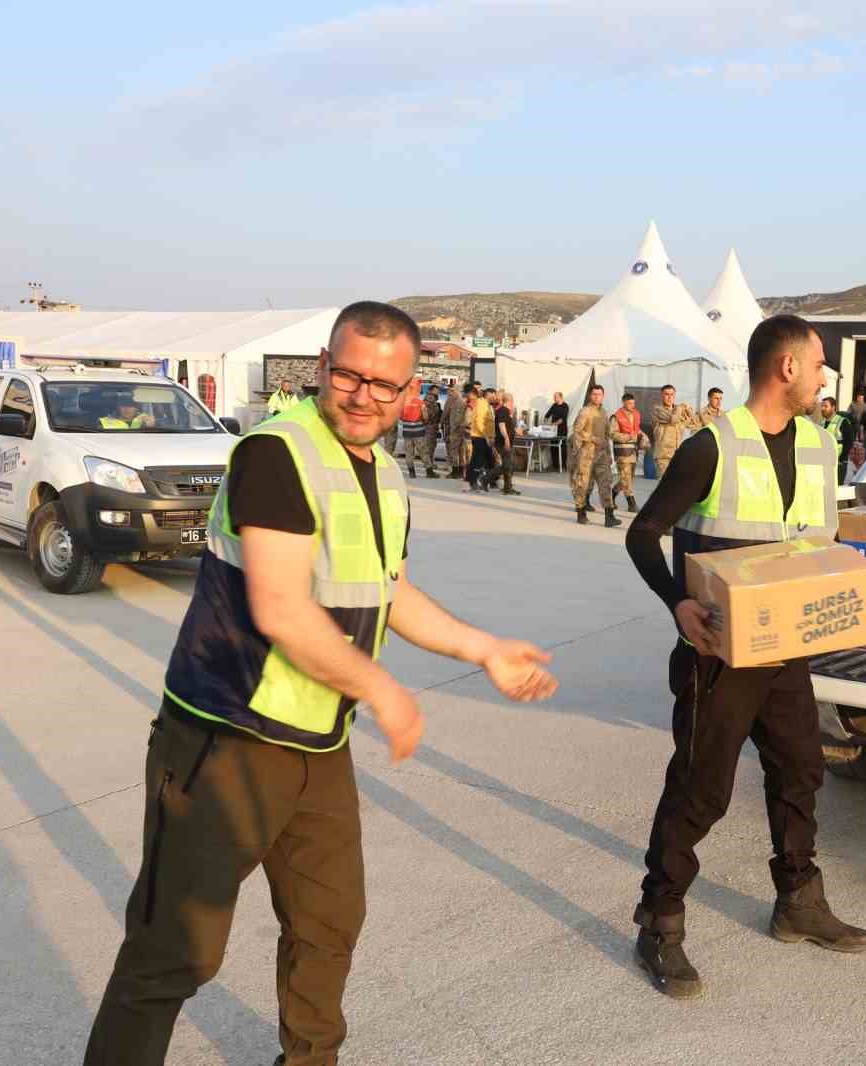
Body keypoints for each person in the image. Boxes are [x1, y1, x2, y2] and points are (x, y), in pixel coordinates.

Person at [83, 301, 558, 1066]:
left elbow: (389, 588)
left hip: (317, 743)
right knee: (176, 952)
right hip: (225, 742)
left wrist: (484, 648)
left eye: (385, 384)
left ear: (412, 388)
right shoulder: (277, 453)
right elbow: (279, 606)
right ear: (321, 366)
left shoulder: (387, 472)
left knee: (330, 927)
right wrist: (383, 689)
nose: (364, 395)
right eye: (349, 375)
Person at [623, 314, 866, 999]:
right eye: (819, 364)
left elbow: (819, 540)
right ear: (786, 368)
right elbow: (645, 535)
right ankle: (660, 919)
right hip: (717, 655)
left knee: (801, 768)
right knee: (702, 789)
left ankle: (798, 899)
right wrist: (678, 601)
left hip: (786, 648)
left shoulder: (821, 445)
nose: (825, 378)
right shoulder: (713, 446)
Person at [570, 383, 618, 526]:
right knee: (582, 484)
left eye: (599, 394)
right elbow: (577, 431)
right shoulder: (585, 411)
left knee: (606, 483)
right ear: (590, 396)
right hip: (586, 454)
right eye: (594, 394)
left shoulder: (603, 412)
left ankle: (609, 516)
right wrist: (593, 438)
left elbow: (607, 435)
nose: (597, 397)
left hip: (602, 454)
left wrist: (609, 454)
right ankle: (581, 512)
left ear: (603, 396)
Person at [610, 392, 651, 513]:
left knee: (628, 478)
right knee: (626, 478)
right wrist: (628, 437)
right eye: (629, 403)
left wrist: (644, 436)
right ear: (624, 402)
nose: (632, 405)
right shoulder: (616, 416)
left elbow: (637, 429)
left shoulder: (636, 414)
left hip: (633, 451)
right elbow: (612, 434)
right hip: (622, 451)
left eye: (633, 403)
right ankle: (631, 503)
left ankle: (612, 495)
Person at [648, 384, 698, 479]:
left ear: (675, 396)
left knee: (675, 486)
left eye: (671, 394)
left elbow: (693, 422)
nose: (669, 397)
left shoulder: (678, 410)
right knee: (663, 485)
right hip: (663, 455)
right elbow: (673, 419)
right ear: (661, 395)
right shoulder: (658, 410)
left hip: (677, 454)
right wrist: (680, 408)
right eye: (666, 394)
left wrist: (688, 409)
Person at [464, 384, 495, 493]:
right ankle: (474, 483)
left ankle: (489, 482)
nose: (494, 397)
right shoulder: (482, 404)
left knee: (489, 461)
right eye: (493, 394)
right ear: (488, 395)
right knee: (477, 462)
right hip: (480, 437)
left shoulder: (485, 404)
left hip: (483, 437)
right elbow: (479, 423)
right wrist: (487, 437)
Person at [819, 396, 853, 483]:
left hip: (838, 464)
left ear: (833, 407)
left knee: (836, 490)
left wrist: (841, 459)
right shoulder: (821, 423)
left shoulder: (843, 422)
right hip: (824, 462)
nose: (822, 408)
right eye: (822, 406)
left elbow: (849, 442)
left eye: (825, 406)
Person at [492, 390, 520, 496]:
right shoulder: (503, 410)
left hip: (505, 441)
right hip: (503, 442)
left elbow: (508, 426)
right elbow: (502, 425)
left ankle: (507, 487)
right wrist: (507, 439)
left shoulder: (506, 411)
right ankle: (486, 479)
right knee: (507, 466)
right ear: (510, 401)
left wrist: (516, 431)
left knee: (508, 465)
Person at [398, 387, 427, 478]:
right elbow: (425, 416)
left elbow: (400, 416)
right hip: (418, 431)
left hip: (407, 431)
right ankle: (429, 471)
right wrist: (423, 421)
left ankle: (412, 472)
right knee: (423, 451)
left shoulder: (403, 403)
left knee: (409, 452)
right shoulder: (420, 403)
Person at [442, 383, 466, 479]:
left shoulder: (458, 402)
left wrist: (454, 430)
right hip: (456, 429)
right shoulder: (456, 400)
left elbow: (457, 418)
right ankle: (458, 471)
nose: (450, 392)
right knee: (458, 451)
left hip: (456, 430)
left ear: (457, 391)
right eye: (449, 390)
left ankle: (456, 471)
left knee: (454, 451)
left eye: (452, 391)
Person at [545, 390, 571, 472]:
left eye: (556, 397)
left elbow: (562, 419)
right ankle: (555, 465)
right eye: (554, 397)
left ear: (561, 397)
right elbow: (547, 415)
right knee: (553, 447)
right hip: (553, 431)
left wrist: (553, 424)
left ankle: (563, 465)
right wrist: (546, 422)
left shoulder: (565, 406)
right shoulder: (554, 405)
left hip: (562, 430)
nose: (554, 399)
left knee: (562, 447)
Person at [420, 386, 443, 477]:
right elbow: (426, 412)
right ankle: (428, 466)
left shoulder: (433, 399)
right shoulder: (430, 398)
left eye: (438, 390)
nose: (438, 392)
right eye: (436, 390)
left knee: (432, 445)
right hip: (429, 426)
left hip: (433, 426)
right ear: (431, 391)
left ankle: (430, 463)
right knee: (429, 446)